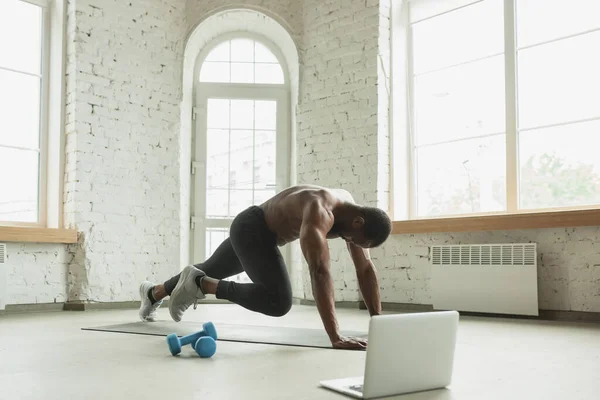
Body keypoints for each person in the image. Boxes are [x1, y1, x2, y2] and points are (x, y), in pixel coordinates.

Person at [138, 185, 392, 350]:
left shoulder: (351, 211)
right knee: (278, 301)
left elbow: (365, 269)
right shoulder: (321, 211)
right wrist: (335, 336)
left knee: (206, 267)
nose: (353, 245)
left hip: (256, 229)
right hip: (253, 229)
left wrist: (377, 323)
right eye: (356, 240)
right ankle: (202, 285)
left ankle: (153, 293)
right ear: (358, 222)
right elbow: (320, 271)